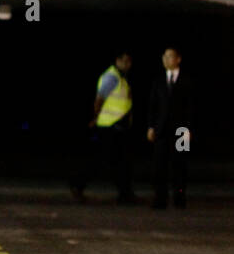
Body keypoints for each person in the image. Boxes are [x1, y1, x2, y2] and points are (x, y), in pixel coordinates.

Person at [71, 51, 136, 205]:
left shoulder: (121, 78)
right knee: (106, 160)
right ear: (117, 61)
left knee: (118, 161)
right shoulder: (112, 77)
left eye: (129, 62)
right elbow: (99, 99)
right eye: (125, 61)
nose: (128, 65)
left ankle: (125, 193)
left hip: (117, 127)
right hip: (109, 127)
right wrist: (95, 117)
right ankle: (79, 185)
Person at [148, 47, 193, 210]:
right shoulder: (159, 81)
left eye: (170, 57)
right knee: (159, 164)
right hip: (162, 130)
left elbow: (190, 107)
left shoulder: (186, 81)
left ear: (178, 59)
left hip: (182, 131)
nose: (166, 60)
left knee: (180, 165)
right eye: (164, 57)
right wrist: (151, 126)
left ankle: (179, 196)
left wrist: (188, 129)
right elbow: (153, 106)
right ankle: (160, 197)